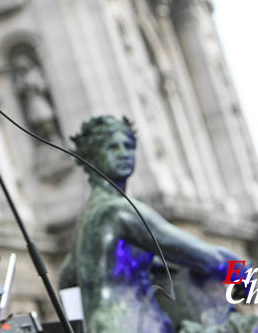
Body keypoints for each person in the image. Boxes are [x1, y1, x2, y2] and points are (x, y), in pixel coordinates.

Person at [59, 115, 247, 333]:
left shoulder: (87, 221)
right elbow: (209, 258)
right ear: (91, 158)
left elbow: (66, 281)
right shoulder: (118, 210)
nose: (124, 153)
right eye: (112, 147)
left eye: (129, 146)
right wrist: (243, 274)